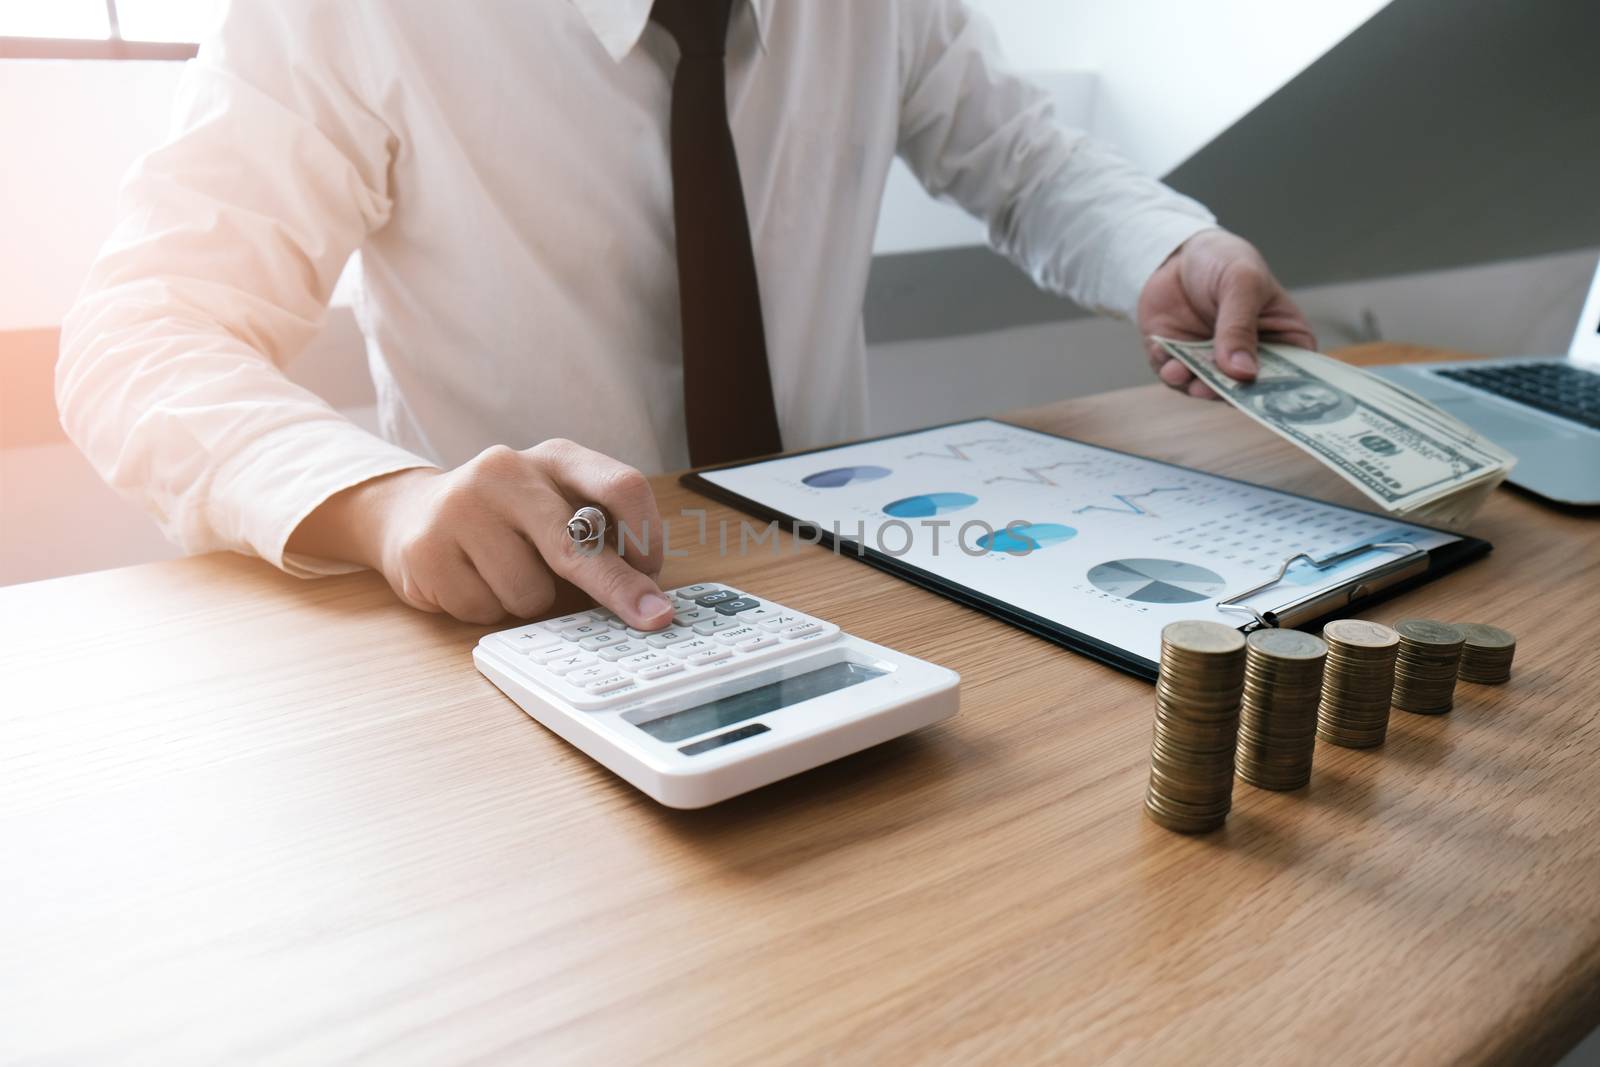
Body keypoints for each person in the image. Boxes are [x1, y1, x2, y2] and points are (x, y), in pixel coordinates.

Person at [57, 0, 1314, 631]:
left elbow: (1021, 157)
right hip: (533, 624)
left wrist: (1167, 246)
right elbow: (140, 335)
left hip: (850, 572)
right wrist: (386, 503)